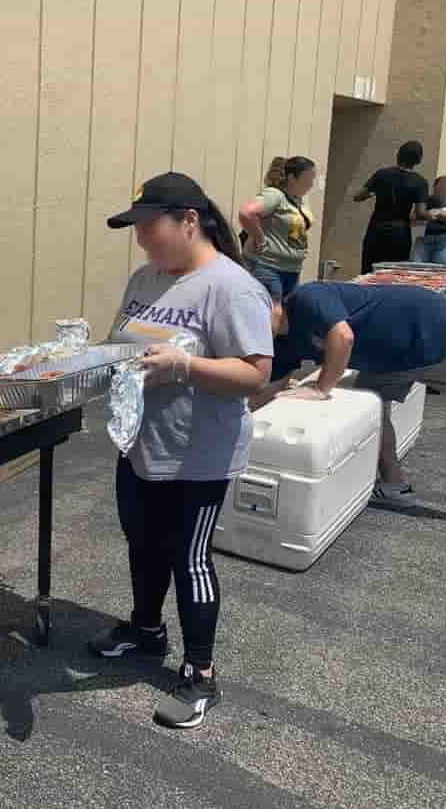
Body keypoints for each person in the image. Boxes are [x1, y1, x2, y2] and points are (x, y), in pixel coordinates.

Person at [88, 172, 274, 730]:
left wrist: (185, 365)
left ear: (188, 221)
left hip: (199, 455)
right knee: (142, 544)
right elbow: (122, 344)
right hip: (142, 444)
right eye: (137, 228)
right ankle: (146, 631)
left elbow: (256, 374)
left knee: (187, 557)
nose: (142, 238)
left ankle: (200, 674)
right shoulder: (146, 279)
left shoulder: (230, 286)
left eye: (150, 226)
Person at [258, 281, 446, 508]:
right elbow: (271, 386)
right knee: (372, 409)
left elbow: (343, 337)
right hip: (387, 360)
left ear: (270, 304)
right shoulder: (282, 342)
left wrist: (320, 389)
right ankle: (394, 485)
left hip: (430, 328)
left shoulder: (306, 298)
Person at [238, 156, 317, 323]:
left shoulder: (298, 200)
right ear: (292, 178)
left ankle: (275, 347)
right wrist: (260, 240)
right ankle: (263, 347)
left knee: (285, 316)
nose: (311, 183)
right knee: (273, 311)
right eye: (308, 178)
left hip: (291, 269)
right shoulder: (275, 195)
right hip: (268, 265)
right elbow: (247, 213)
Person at [353, 140, 430, 275]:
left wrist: (371, 193)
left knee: (369, 272)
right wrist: (436, 215)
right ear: (418, 161)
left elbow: (358, 196)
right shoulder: (420, 182)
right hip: (400, 233)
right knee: (393, 274)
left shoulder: (381, 174)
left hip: (376, 229)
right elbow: (421, 213)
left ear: (398, 155)